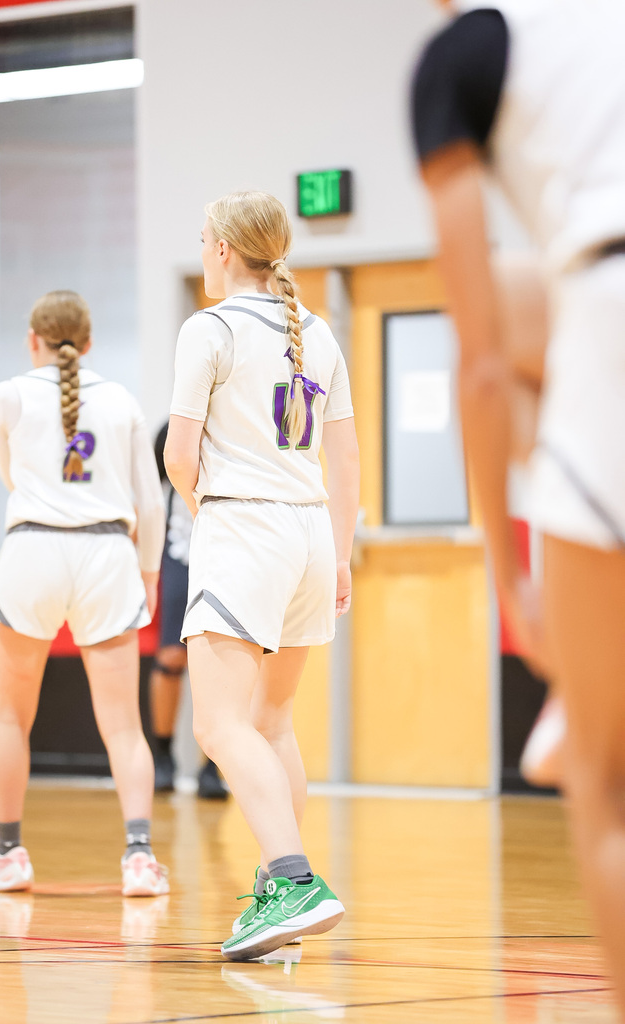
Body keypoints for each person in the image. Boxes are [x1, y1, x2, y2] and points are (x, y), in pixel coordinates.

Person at [411, 0, 625, 1011]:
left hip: (606, 308)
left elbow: (483, 365)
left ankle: (579, 691)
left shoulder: (467, 55)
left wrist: (511, 580)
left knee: (604, 789)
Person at [164, 191, 359, 961]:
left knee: (217, 726)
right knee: (272, 723)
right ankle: (280, 905)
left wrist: (205, 510)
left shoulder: (208, 328)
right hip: (310, 531)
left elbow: (179, 456)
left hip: (244, 529)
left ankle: (292, 880)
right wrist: (339, 552)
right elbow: (345, 461)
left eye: (201, 239)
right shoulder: (319, 330)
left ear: (220, 249)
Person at [0, 290, 169, 898]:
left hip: (33, 550)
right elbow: (151, 504)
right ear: (89, 341)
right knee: (124, 726)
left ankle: (8, 855)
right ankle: (139, 857)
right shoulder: (122, 400)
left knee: (9, 716)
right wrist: (148, 576)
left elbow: (11, 477)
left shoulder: (7, 394)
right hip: (108, 553)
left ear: (33, 339)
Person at [149, 422, 228, 798]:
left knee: (222, 663)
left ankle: (213, 766)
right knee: (170, 658)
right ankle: (162, 755)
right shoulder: (172, 431)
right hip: (179, 553)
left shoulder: (228, 431)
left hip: (224, 554)